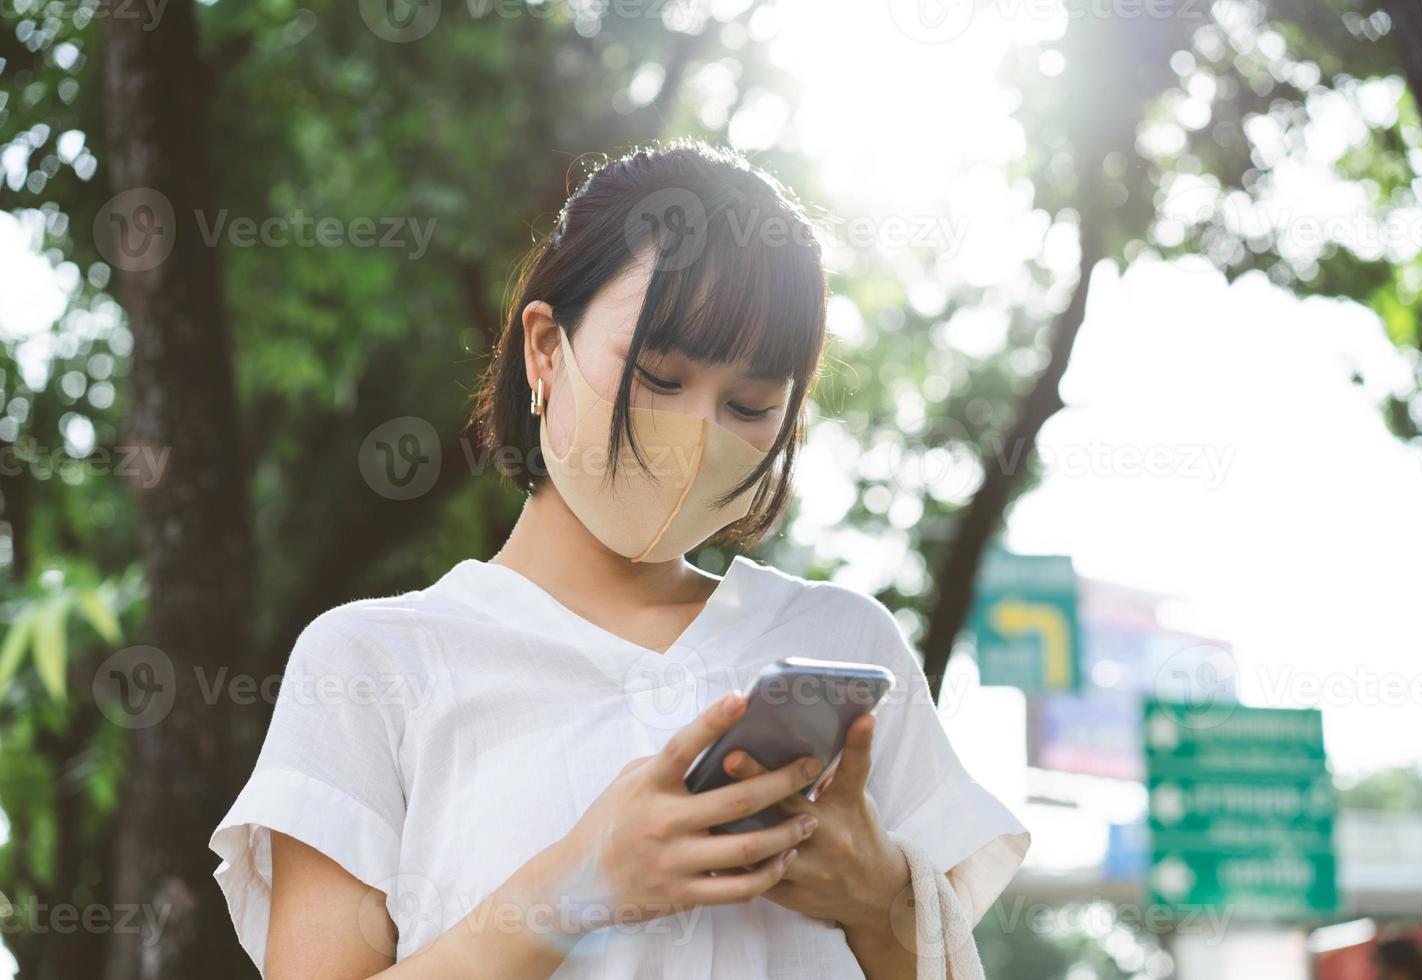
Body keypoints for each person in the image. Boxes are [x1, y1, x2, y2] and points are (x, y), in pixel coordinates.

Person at [208, 138, 1030, 979]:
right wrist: (574, 886)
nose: (696, 434)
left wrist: (875, 894)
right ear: (544, 350)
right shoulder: (371, 663)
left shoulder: (845, 645)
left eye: (750, 403)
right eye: (658, 378)